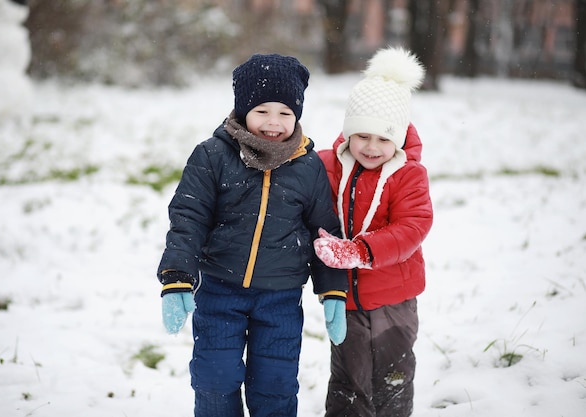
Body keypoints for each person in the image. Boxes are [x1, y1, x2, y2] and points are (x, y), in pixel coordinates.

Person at [157, 53, 348, 417]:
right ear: (242, 110)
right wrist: (177, 277)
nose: (273, 123)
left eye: (284, 113)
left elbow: (324, 231)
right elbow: (188, 216)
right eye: (262, 111)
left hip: (280, 296)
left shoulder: (308, 166)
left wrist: (333, 288)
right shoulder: (213, 155)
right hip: (219, 291)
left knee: (274, 384)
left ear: (297, 116)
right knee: (215, 377)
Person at [314, 47, 433, 417]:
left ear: (397, 139)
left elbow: (414, 225)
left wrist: (362, 251)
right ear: (348, 132)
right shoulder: (327, 166)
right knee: (349, 378)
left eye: (384, 139)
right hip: (344, 298)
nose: (372, 147)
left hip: (394, 297)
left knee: (392, 376)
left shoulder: (409, 174)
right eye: (362, 136)